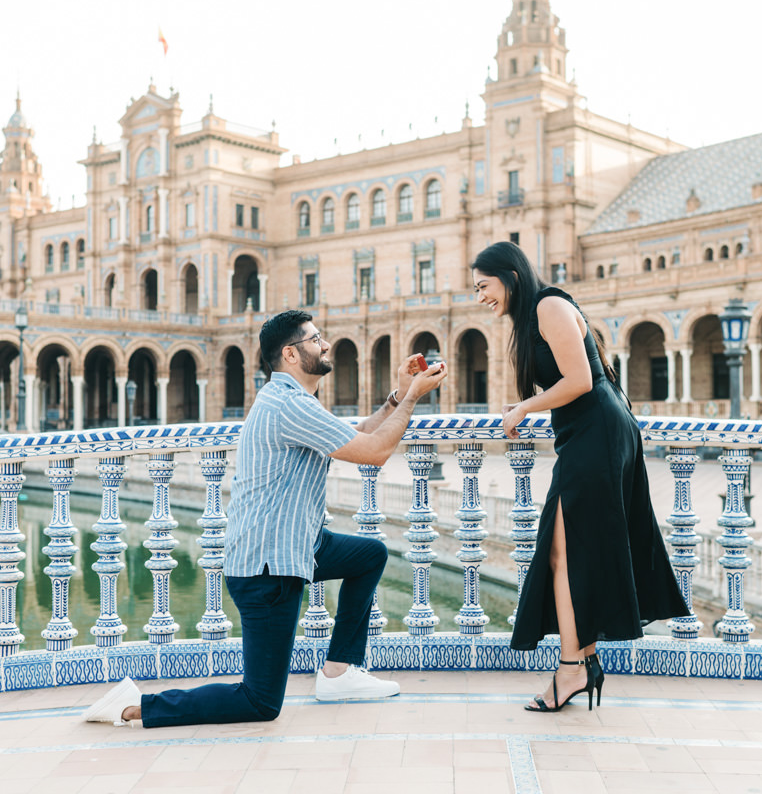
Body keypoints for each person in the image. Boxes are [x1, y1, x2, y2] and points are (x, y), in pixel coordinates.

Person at [83, 309, 447, 728]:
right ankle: (134, 707)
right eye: (315, 339)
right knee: (259, 701)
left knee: (369, 555)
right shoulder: (287, 404)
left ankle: (339, 672)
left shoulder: (293, 400)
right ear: (291, 355)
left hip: (299, 545)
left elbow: (359, 434)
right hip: (268, 568)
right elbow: (374, 452)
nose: (326, 344)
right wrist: (416, 397)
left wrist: (398, 398)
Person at [471, 242, 689, 713]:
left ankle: (573, 665)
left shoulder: (549, 305)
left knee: (560, 549)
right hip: (588, 434)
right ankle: (582, 660)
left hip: (599, 432)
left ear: (509, 275)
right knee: (568, 551)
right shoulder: (530, 318)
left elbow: (580, 381)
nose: (480, 297)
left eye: (483, 286)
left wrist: (526, 406)